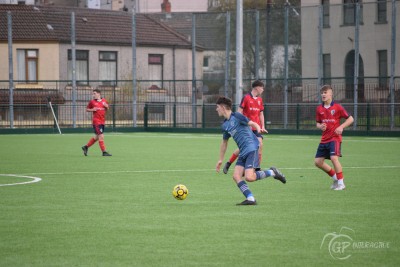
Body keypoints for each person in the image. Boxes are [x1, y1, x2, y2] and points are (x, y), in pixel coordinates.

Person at [215, 96, 286, 205]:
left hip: (251, 148)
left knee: (249, 177)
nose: (216, 109)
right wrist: (220, 159)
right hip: (243, 151)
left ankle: (272, 172)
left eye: (218, 107)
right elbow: (224, 142)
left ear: (223, 107)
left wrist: (258, 129)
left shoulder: (237, 116)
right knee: (236, 176)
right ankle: (250, 198)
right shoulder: (225, 125)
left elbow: (252, 123)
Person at [222, 80, 268, 174]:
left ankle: (256, 168)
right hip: (247, 128)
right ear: (257, 87)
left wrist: (262, 126)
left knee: (260, 145)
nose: (263, 89)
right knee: (243, 148)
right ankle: (229, 163)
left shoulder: (260, 100)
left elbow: (261, 114)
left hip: (256, 128)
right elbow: (239, 112)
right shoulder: (246, 98)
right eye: (262, 87)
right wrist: (240, 124)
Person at [314, 85, 354, 190]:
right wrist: (320, 126)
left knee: (333, 158)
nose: (323, 94)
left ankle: (341, 183)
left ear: (331, 94)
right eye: (322, 93)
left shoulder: (337, 107)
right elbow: (317, 123)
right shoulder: (319, 108)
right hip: (324, 139)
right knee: (318, 162)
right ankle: (336, 178)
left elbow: (350, 119)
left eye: (325, 92)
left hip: (335, 138)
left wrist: (341, 127)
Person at [81, 89, 112, 157]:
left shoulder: (104, 101)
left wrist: (107, 107)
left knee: (96, 137)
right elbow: (87, 109)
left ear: (99, 94)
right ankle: (104, 152)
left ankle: (85, 147)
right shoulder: (92, 102)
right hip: (96, 122)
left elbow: (107, 108)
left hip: (102, 121)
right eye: (93, 93)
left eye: (94, 93)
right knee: (101, 136)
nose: (93, 95)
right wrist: (92, 109)